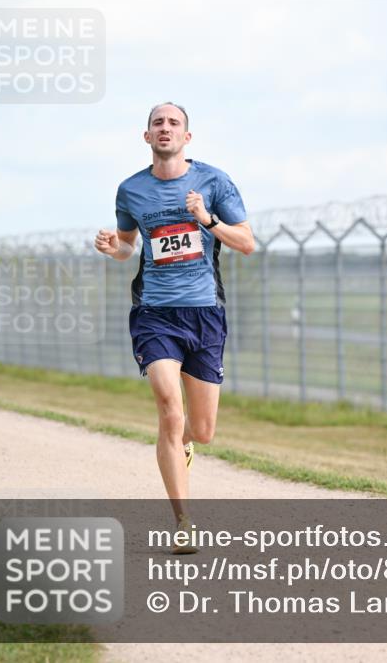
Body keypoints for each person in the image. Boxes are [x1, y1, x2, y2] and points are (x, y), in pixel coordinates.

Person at [94, 102, 255, 553]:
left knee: (200, 430)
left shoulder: (214, 181)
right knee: (169, 408)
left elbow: (246, 243)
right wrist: (114, 248)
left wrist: (207, 219)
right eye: (157, 123)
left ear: (187, 137)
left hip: (204, 312)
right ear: (146, 137)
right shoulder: (131, 190)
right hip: (154, 313)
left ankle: (185, 444)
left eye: (174, 123)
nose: (165, 128)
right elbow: (129, 246)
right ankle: (183, 522)